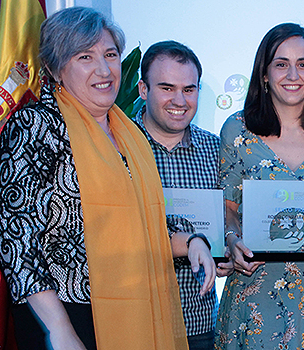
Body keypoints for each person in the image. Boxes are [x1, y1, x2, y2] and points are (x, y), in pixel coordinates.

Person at [0, 7, 187, 350]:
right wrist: (60, 328)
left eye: (110, 54)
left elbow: (141, 221)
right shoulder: (37, 126)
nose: (105, 69)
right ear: (56, 68)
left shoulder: (128, 133)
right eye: (85, 56)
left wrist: (195, 242)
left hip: (133, 308)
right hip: (63, 318)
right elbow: (18, 240)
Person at [215, 23, 304, 350]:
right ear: (264, 73)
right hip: (253, 299)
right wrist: (232, 240)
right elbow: (227, 206)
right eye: (281, 64)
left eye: (303, 64)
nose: (293, 74)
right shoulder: (237, 129)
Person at [134, 40, 219, 350]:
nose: (179, 100)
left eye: (189, 89)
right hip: (134, 323)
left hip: (199, 325)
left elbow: (228, 220)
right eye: (167, 88)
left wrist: (228, 248)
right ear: (143, 89)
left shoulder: (215, 150)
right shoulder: (117, 147)